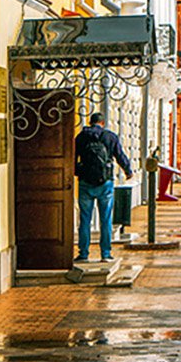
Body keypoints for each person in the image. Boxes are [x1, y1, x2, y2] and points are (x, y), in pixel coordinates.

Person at [74, 112, 133, 263]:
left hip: (85, 182)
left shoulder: (81, 137)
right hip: (105, 183)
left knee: (85, 219)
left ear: (90, 122)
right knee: (106, 219)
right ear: (103, 123)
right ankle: (105, 254)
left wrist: (77, 172)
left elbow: (72, 158)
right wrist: (128, 171)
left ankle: (83, 254)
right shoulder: (110, 137)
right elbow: (120, 155)